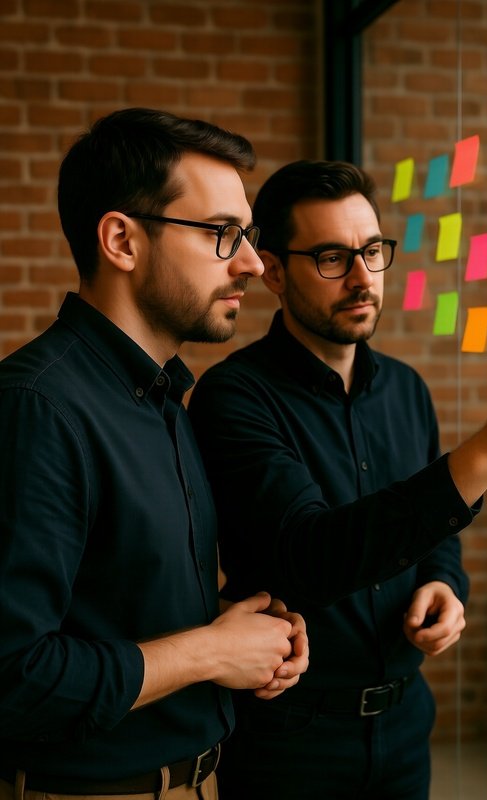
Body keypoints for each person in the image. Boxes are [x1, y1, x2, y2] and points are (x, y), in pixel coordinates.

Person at [187, 159, 487, 799]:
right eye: (331, 258)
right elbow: (310, 557)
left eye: (372, 252)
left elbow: (435, 534)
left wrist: (444, 583)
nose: (362, 278)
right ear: (273, 271)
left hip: (406, 724)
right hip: (290, 740)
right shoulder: (233, 397)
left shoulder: (406, 388)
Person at [0, 108, 309, 800]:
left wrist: (247, 633)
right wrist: (209, 652)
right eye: (222, 233)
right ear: (122, 241)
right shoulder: (37, 408)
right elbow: (14, 677)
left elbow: (117, 604)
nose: (251, 263)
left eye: (249, 236)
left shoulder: (162, 398)